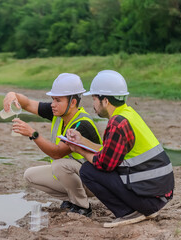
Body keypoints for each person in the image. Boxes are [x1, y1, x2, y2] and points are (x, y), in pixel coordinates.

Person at [66, 70, 174, 227]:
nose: (93, 104)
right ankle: (136, 208)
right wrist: (82, 140)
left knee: (88, 170)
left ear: (106, 101)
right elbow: (109, 151)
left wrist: (79, 150)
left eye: (94, 98)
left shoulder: (117, 123)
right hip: (160, 195)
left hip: (150, 200)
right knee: (101, 165)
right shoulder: (128, 114)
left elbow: (104, 163)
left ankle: (127, 213)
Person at [3, 73, 102, 217]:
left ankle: (82, 206)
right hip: (76, 175)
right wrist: (13, 95)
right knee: (30, 176)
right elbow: (28, 104)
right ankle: (71, 199)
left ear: (73, 102)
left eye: (58, 100)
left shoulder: (82, 124)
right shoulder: (59, 113)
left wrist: (33, 134)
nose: (53, 104)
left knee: (59, 165)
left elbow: (57, 153)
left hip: (95, 181)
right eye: (52, 99)